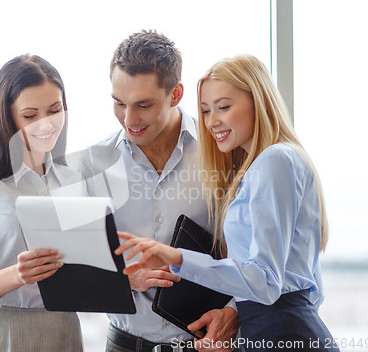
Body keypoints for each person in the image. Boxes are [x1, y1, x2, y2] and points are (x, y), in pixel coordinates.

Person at [115, 54, 340, 352]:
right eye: (206, 110)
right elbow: (311, 287)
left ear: (258, 101)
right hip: (272, 329)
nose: (212, 121)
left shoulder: (274, 160)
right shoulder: (264, 164)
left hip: (278, 330)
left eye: (224, 107)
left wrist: (177, 258)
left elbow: (265, 281)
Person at [80, 30, 240, 352]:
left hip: (208, 344)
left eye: (143, 105)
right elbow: (77, 269)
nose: (129, 119)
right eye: (119, 103)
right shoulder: (92, 164)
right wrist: (126, 280)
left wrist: (236, 311)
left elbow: (255, 253)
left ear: (176, 93)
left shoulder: (224, 153)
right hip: (124, 344)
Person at [0, 54, 85, 351]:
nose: (46, 125)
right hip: (0, 333)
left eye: (55, 110)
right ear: (6, 116)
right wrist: (16, 275)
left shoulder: (73, 178)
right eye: (30, 115)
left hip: (64, 330)